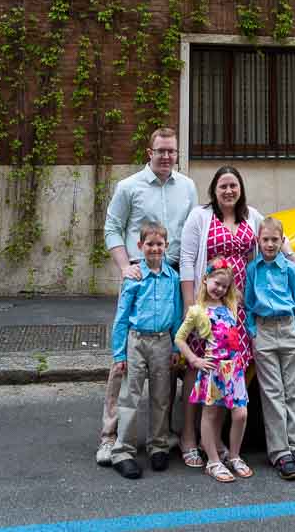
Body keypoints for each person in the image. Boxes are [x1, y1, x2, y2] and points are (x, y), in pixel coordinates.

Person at [178, 165, 295, 467]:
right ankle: (187, 436)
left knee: (226, 370)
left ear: (240, 188)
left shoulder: (252, 215)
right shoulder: (200, 216)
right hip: (208, 304)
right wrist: (189, 305)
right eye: (223, 186)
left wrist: (291, 255)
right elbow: (186, 258)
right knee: (198, 370)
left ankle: (217, 438)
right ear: (214, 189)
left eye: (233, 185)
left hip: (238, 308)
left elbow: (275, 235)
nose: (228, 191)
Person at [96, 126, 198, 466]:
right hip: (140, 276)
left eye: (172, 151)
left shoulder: (187, 187)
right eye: (161, 151)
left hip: (172, 278)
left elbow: (192, 232)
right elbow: (112, 227)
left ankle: (160, 437)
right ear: (149, 152)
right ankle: (111, 438)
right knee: (123, 365)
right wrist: (126, 267)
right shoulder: (129, 187)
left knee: (166, 357)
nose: (167, 156)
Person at [109, 219, 183, 479]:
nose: (154, 249)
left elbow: (176, 314)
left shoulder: (172, 278)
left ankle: (158, 445)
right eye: (149, 244)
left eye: (159, 244)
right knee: (130, 396)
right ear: (140, 246)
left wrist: (175, 345)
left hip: (162, 342)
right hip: (137, 341)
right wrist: (119, 353)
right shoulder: (134, 276)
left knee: (162, 396)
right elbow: (121, 316)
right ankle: (123, 451)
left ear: (166, 246)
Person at [245, 216, 295, 481]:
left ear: (282, 241)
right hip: (263, 332)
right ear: (258, 241)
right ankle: (280, 453)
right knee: (272, 394)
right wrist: (253, 333)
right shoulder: (253, 269)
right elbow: (249, 304)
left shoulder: (290, 270)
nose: (270, 244)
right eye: (265, 240)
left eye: (275, 240)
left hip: (288, 329)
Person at [175, 257, 252, 483]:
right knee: (211, 413)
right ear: (206, 279)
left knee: (240, 413)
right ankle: (213, 461)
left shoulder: (230, 305)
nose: (219, 289)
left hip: (234, 370)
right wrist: (194, 360)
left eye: (224, 286)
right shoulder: (197, 311)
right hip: (214, 369)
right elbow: (180, 338)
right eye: (216, 283)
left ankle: (234, 455)